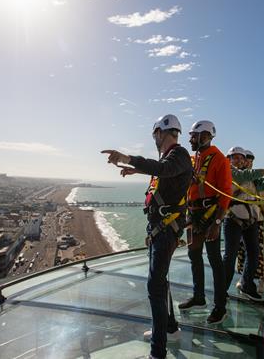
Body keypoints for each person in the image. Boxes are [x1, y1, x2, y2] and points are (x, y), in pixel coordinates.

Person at [101, 114, 192, 359]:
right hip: (160, 229)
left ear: (162, 132)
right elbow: (164, 174)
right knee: (160, 281)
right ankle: (170, 328)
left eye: (155, 135)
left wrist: (129, 158)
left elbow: (165, 169)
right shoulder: (172, 158)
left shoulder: (180, 155)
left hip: (166, 229)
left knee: (155, 285)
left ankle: (158, 352)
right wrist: (136, 170)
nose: (154, 139)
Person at [178, 120, 231, 325]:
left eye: (193, 136)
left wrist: (217, 222)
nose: (190, 139)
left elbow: (226, 193)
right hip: (194, 214)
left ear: (205, 136)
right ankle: (199, 297)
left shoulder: (219, 159)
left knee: (214, 259)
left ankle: (220, 307)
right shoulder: (195, 159)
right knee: (194, 255)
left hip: (210, 216)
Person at [223, 147, 264, 300]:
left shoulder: (248, 176)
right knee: (230, 255)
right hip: (234, 218)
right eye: (235, 157)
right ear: (229, 159)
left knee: (253, 253)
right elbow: (244, 175)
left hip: (250, 218)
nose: (240, 160)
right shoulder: (229, 171)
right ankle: (222, 289)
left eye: (241, 158)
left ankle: (247, 284)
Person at [235, 149, 264, 295]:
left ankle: (261, 280)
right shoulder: (239, 177)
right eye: (246, 159)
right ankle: (244, 279)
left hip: (256, 220)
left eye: (250, 160)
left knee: (258, 252)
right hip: (240, 219)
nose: (248, 162)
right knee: (242, 252)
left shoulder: (255, 179)